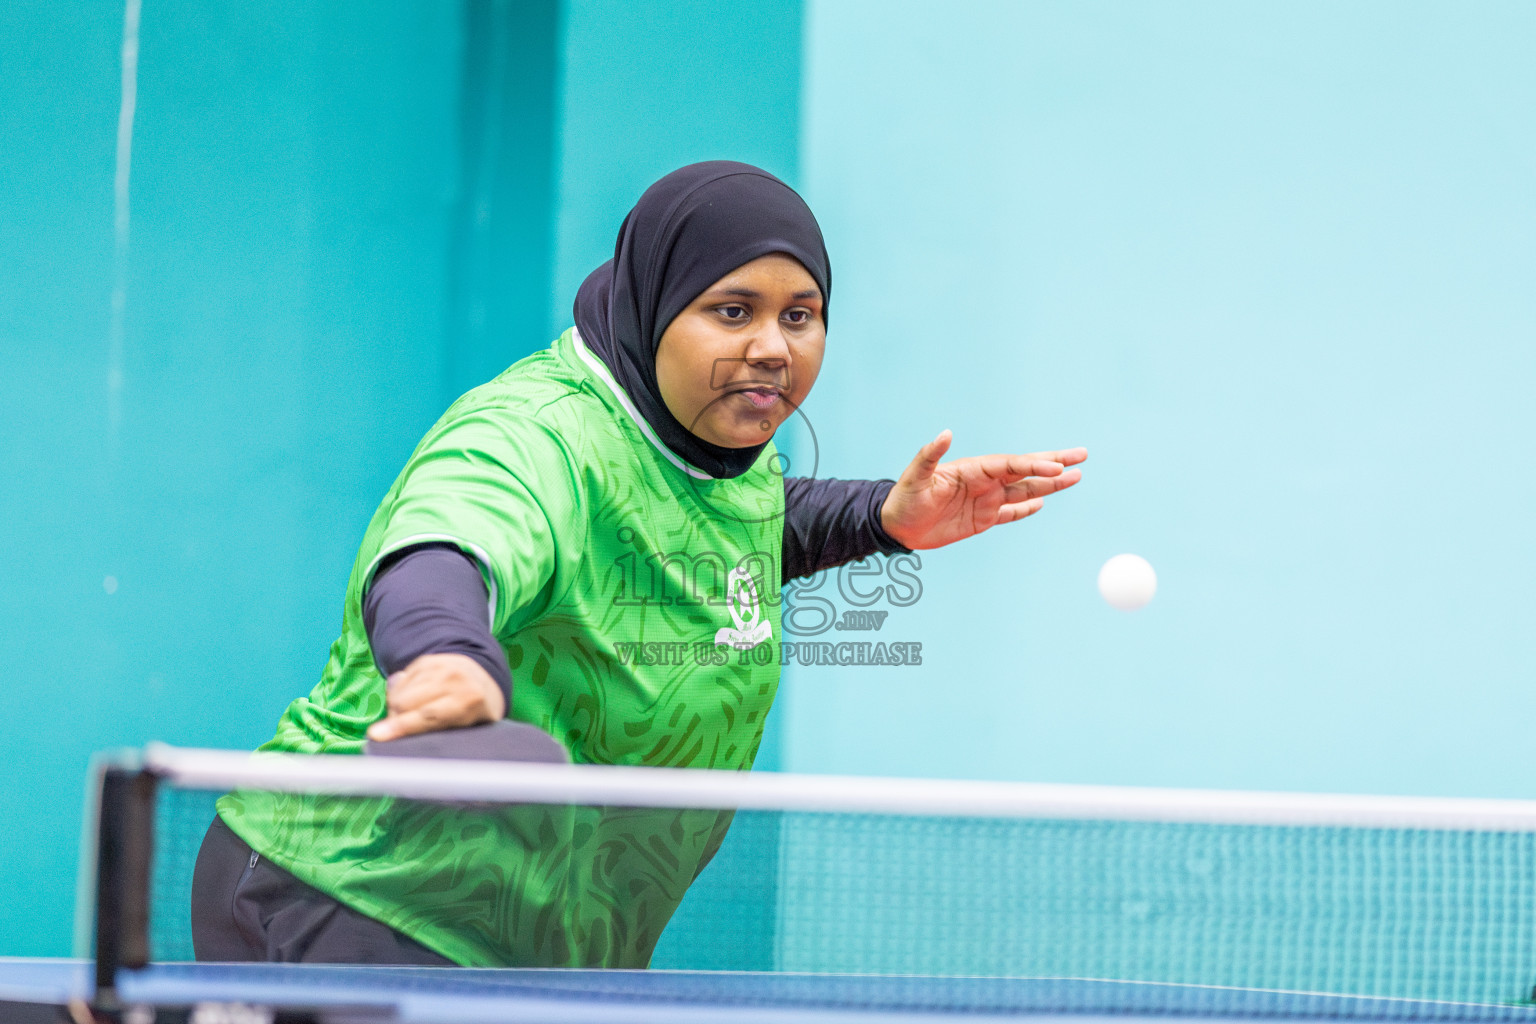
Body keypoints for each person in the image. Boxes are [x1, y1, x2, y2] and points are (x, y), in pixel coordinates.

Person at [190, 161, 1086, 968]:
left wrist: (881, 518)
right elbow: (446, 543)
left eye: (800, 316)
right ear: (657, 304)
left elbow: (727, 526)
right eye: (732, 311)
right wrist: (442, 658)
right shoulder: (535, 436)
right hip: (355, 895)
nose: (773, 345)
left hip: (532, 942)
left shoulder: (707, 444)